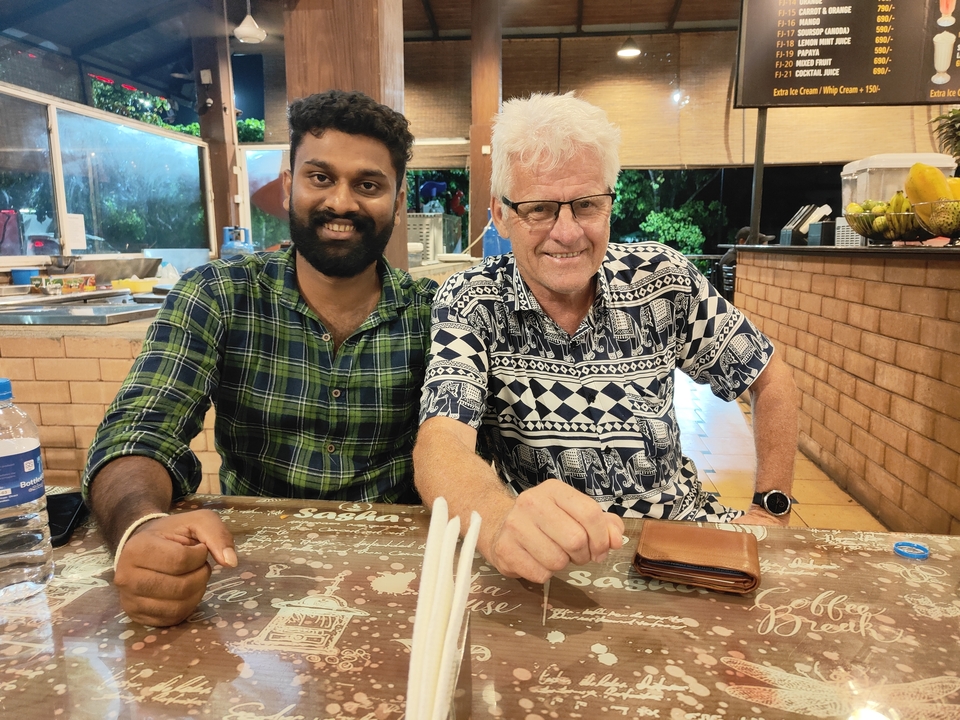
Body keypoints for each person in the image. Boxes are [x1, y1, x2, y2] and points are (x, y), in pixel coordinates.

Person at [82, 90, 436, 627]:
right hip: (245, 576)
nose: (342, 203)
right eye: (320, 177)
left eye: (368, 185)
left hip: (399, 580)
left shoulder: (435, 313)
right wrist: (140, 526)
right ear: (288, 183)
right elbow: (139, 431)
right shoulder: (218, 295)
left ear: (399, 198)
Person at [414, 93, 798, 585]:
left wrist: (771, 507)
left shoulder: (663, 279)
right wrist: (497, 519)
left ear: (609, 204)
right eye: (539, 209)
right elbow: (441, 443)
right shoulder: (473, 299)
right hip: (547, 556)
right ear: (502, 215)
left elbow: (769, 377)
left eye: (587, 205)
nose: (568, 232)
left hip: (676, 538)